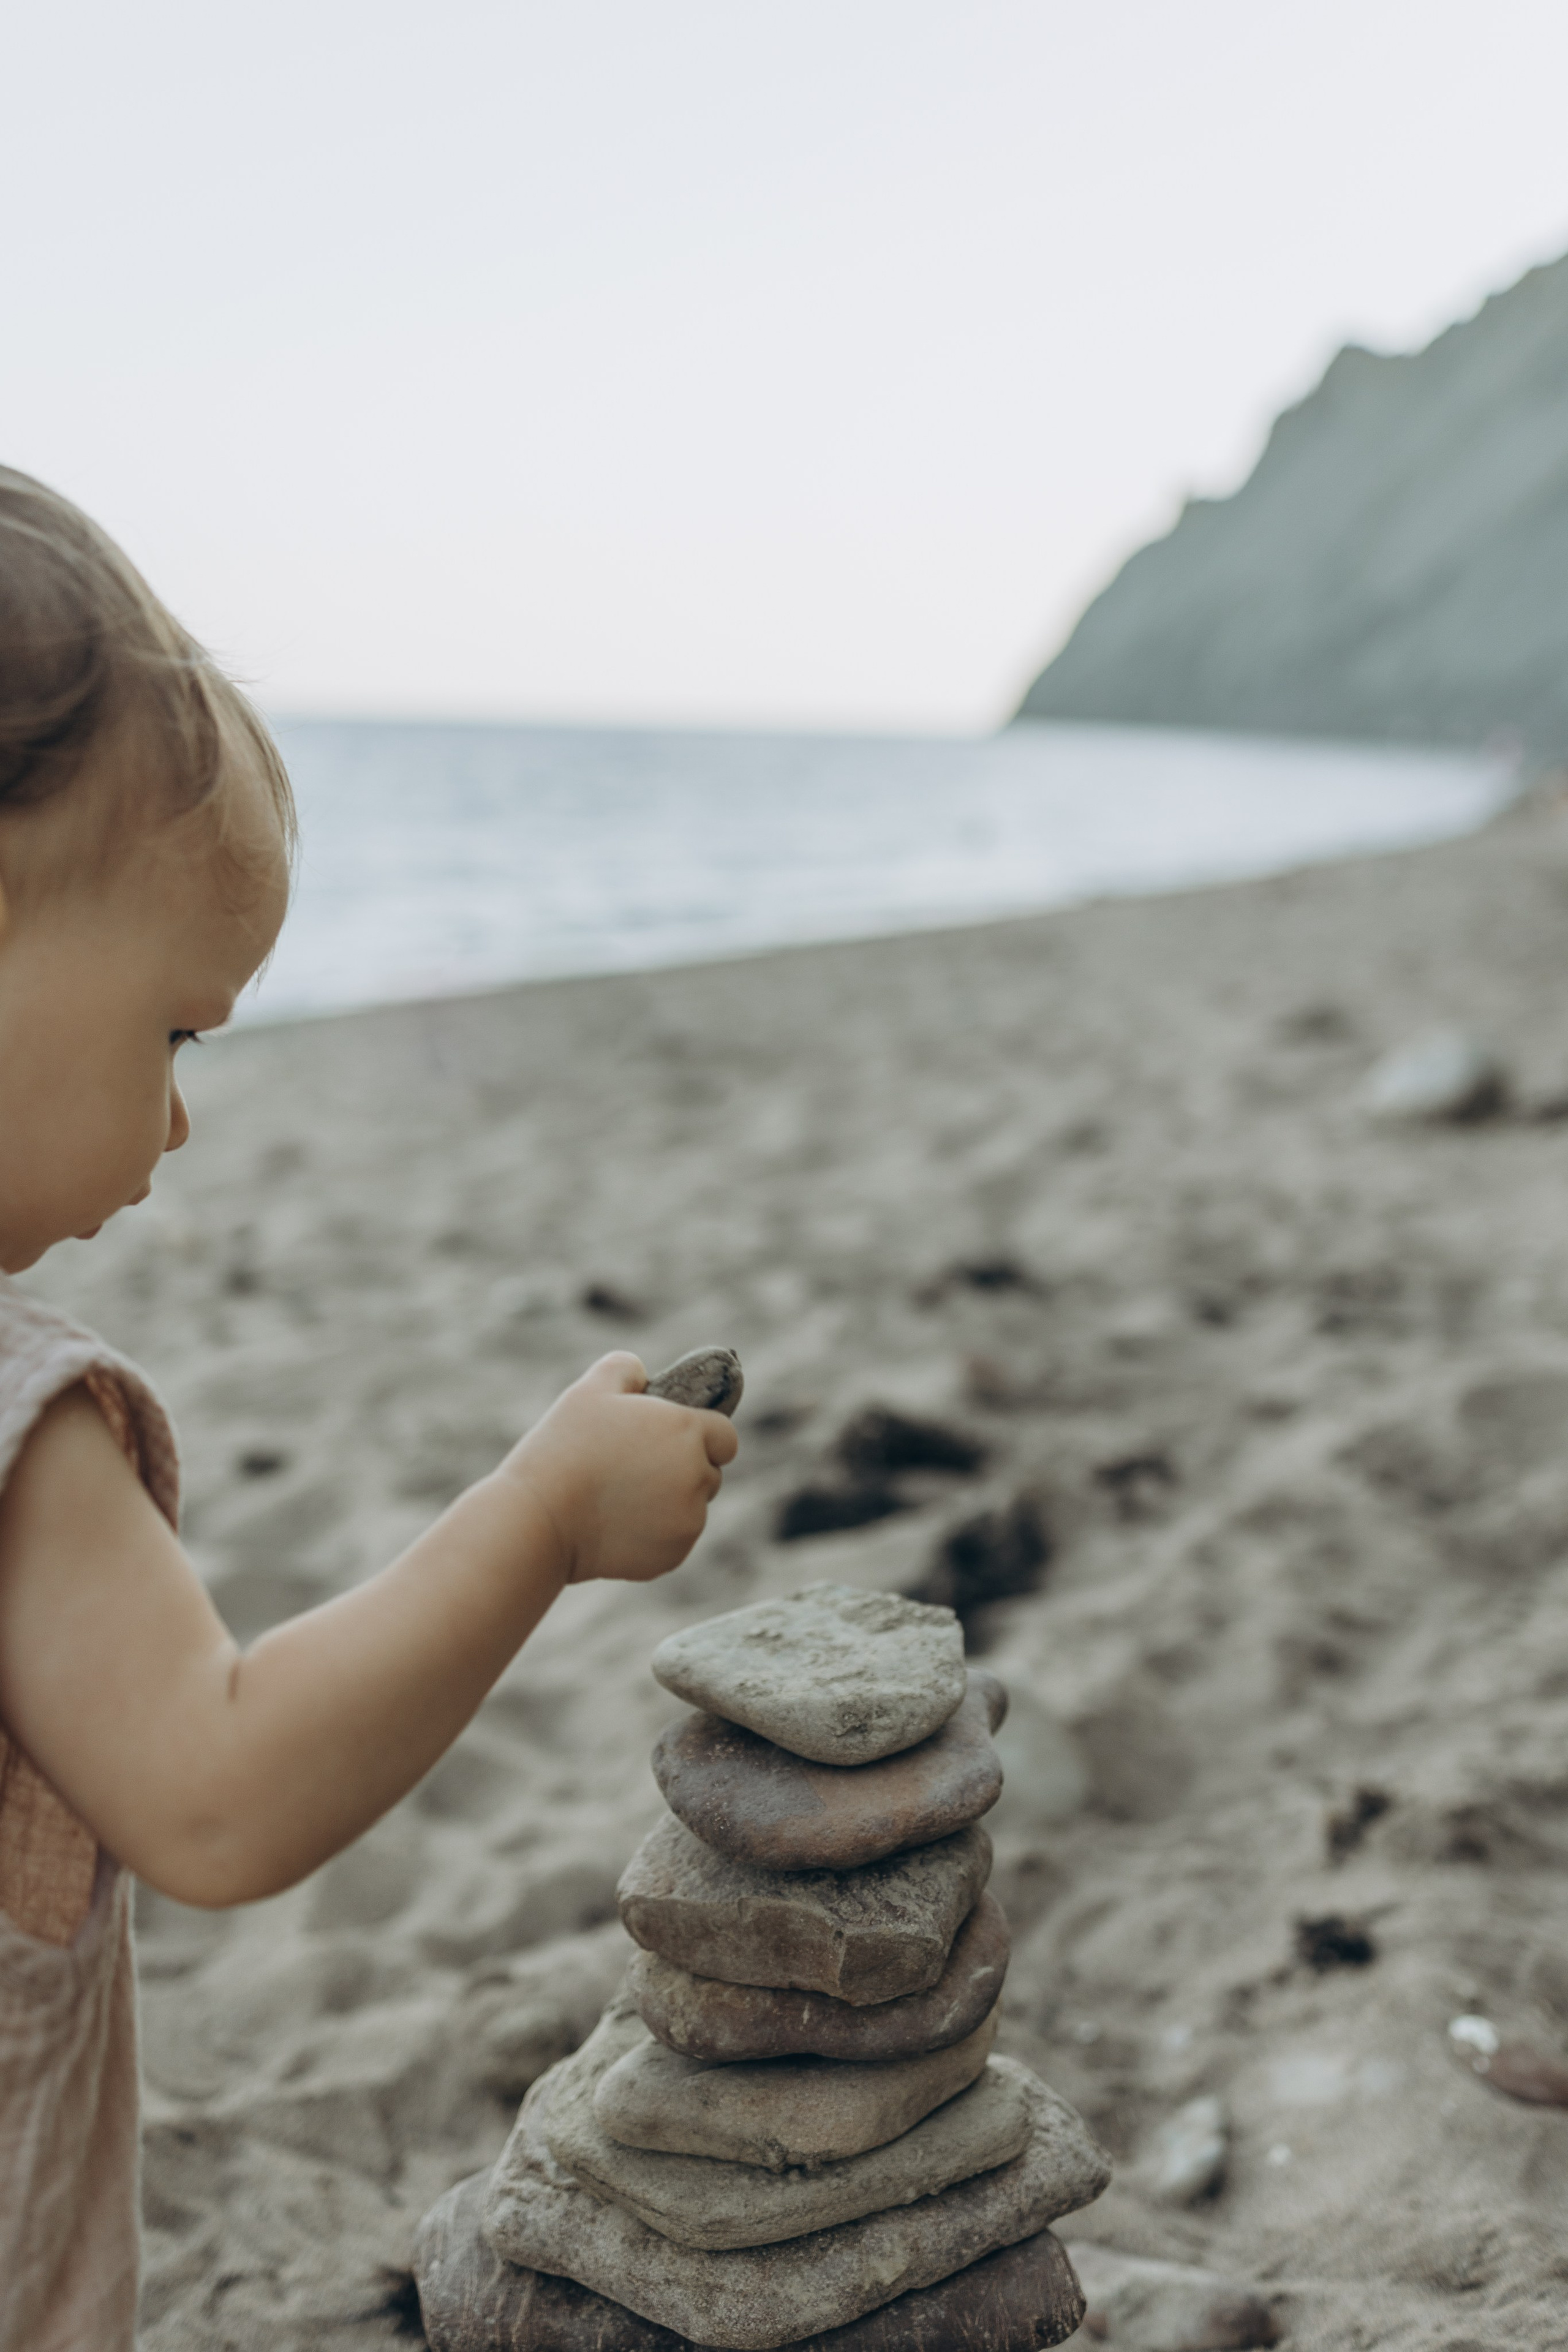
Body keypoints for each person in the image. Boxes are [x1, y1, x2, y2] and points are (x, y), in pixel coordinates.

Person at [0, 466, 739, 2351]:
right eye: (173, 1029)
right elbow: (227, 1791)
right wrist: (546, 1517)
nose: (178, 1119)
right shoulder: (22, 1429)